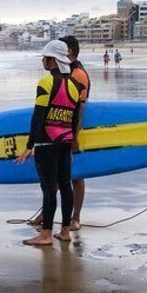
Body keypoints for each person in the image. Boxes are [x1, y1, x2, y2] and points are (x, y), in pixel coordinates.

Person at [15, 40, 81, 246]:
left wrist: (29, 145)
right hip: (65, 141)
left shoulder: (46, 83)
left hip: (46, 143)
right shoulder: (75, 85)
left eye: (45, 57)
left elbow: (38, 116)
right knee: (65, 185)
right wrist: (71, 140)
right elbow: (74, 118)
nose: (43, 60)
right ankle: (65, 231)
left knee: (49, 188)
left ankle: (45, 234)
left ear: (53, 60)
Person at [62, 36, 90, 244]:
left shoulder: (78, 74)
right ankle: (46, 214)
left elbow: (79, 109)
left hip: (72, 132)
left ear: (70, 51)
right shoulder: (66, 72)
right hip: (60, 130)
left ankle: (76, 217)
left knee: (76, 175)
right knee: (57, 174)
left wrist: (74, 137)